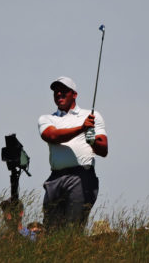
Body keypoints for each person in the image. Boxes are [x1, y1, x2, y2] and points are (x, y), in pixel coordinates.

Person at [38, 76, 108, 231]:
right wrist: (81, 129)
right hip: (55, 177)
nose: (59, 94)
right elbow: (52, 136)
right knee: (51, 228)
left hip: (81, 175)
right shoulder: (47, 118)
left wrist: (92, 141)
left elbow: (103, 150)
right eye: (56, 91)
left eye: (64, 91)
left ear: (74, 94)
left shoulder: (91, 116)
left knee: (74, 226)